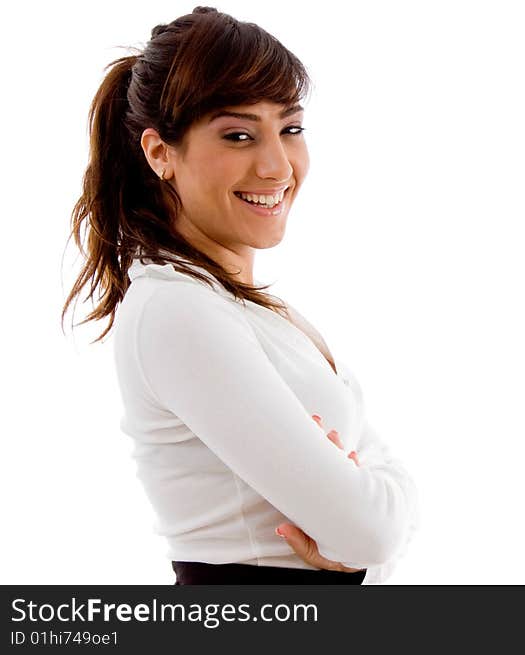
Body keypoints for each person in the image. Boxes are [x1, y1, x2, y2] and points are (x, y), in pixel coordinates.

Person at [60, 6, 420, 585]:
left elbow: (378, 523)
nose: (277, 165)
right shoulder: (178, 311)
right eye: (238, 135)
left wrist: (377, 503)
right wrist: (370, 502)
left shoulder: (241, 308)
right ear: (159, 153)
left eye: (291, 128)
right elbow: (369, 532)